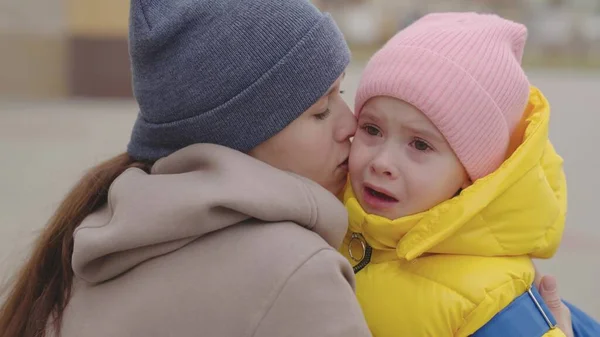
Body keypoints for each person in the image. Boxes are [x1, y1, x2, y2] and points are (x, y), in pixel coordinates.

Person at [0, 2, 583, 337]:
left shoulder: (103, 226)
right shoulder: (295, 270)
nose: (350, 127)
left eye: (342, 96)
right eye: (320, 109)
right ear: (242, 134)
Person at [339, 12, 598, 337]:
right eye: (372, 129)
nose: (382, 161)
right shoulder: (330, 215)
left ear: (472, 173)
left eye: (419, 144)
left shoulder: (491, 299)